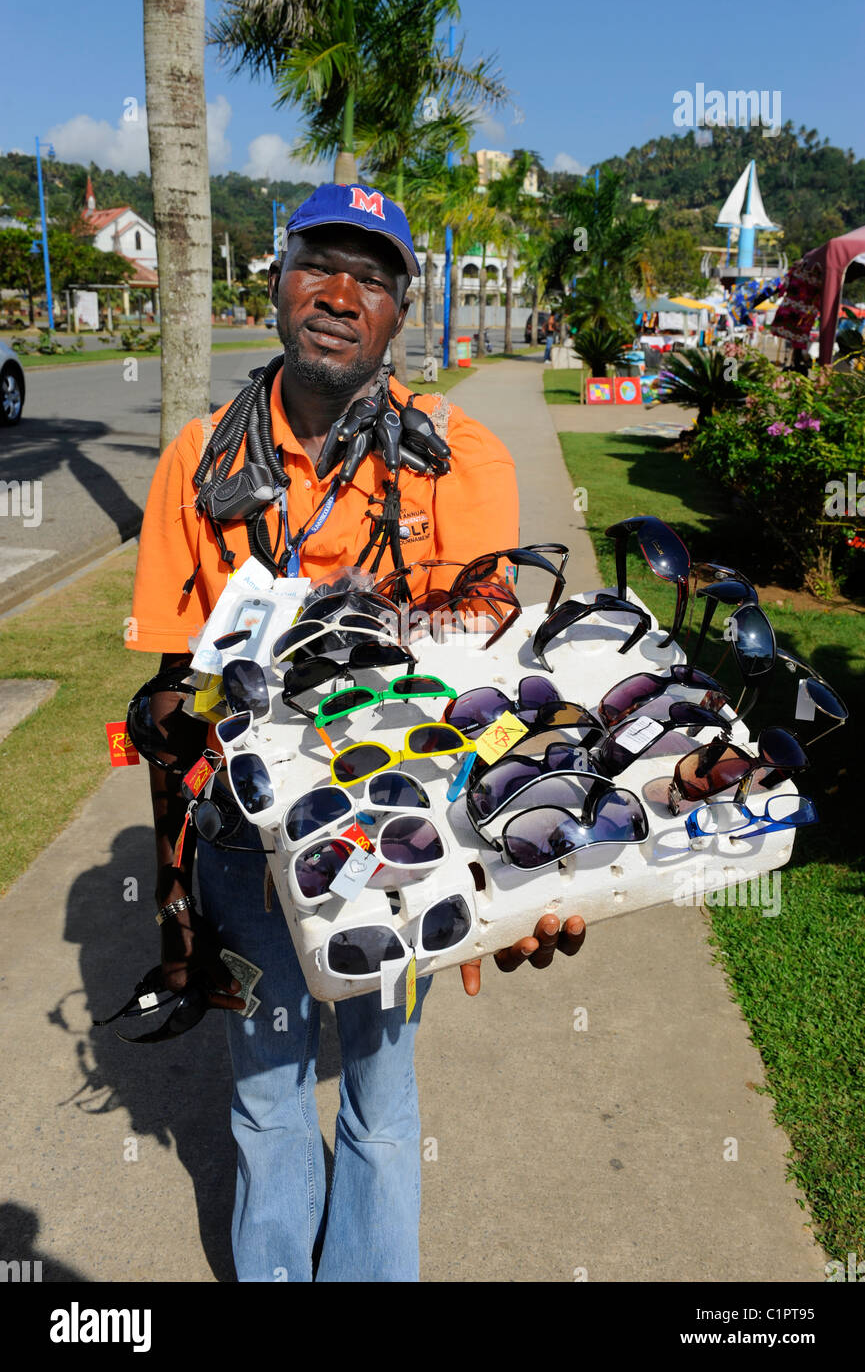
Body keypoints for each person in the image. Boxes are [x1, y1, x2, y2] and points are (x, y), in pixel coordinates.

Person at [125, 184, 586, 1283]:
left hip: (396, 835)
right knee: (265, 1090)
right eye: (316, 265)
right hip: (241, 840)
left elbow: (481, 681)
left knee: (382, 1090)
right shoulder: (199, 459)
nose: (338, 294)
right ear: (277, 282)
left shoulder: (454, 453)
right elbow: (169, 696)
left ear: (399, 308)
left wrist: (511, 875)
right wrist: (174, 900)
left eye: (370, 277)